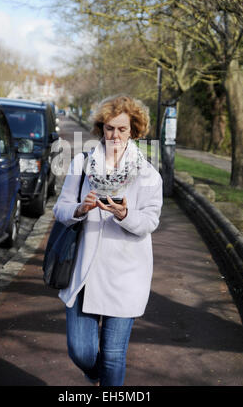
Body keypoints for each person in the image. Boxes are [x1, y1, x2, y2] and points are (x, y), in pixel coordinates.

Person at [53, 95, 163, 386]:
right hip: (84, 273)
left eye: (122, 129)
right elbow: (60, 209)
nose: (115, 135)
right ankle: (98, 379)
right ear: (101, 128)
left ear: (134, 131)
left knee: (113, 355)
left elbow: (150, 221)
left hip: (126, 277)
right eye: (110, 128)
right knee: (81, 351)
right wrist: (80, 208)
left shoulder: (148, 174)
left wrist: (125, 214)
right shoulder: (81, 163)